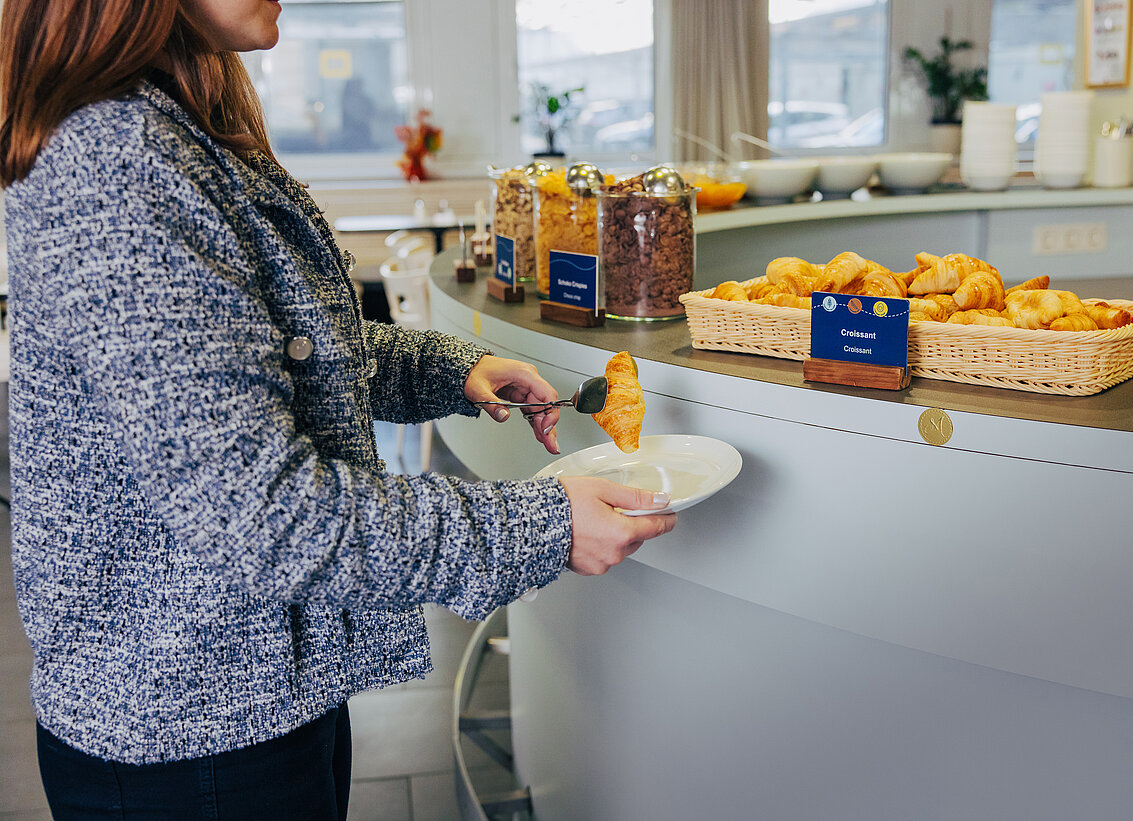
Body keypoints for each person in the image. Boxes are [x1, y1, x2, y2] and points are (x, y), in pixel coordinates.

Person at [0, 0, 676, 818]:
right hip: (189, 734)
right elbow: (267, 516)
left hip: (251, 698)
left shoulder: (177, 128)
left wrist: (450, 370)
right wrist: (546, 525)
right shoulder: (117, 160)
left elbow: (290, 352)